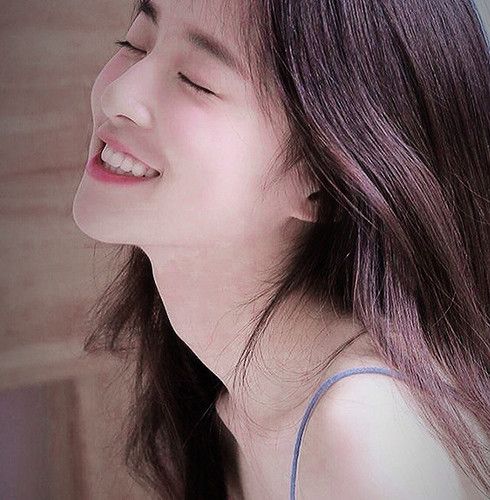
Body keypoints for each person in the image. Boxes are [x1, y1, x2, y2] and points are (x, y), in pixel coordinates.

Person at [72, 0, 490, 498]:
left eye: (196, 80)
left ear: (324, 185)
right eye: (136, 44)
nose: (117, 93)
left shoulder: (367, 437)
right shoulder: (231, 396)